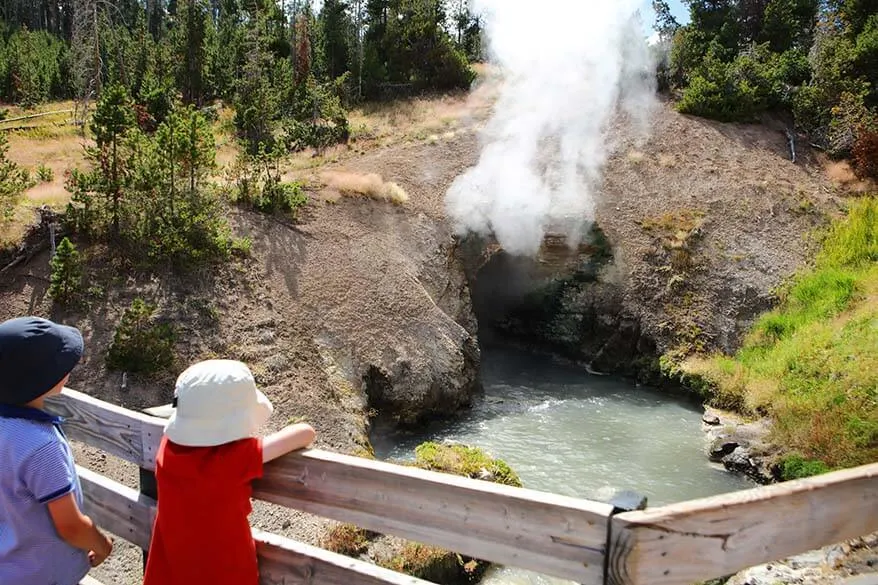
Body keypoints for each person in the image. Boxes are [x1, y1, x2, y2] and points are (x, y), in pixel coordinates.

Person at [143, 359, 316, 585]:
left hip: (171, 572)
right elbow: (305, 433)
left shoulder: (167, 450)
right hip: (225, 574)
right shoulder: (233, 459)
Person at [0, 316, 113, 585]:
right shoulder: (41, 445)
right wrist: (102, 545)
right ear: (41, 380)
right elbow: (70, 525)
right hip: (43, 575)